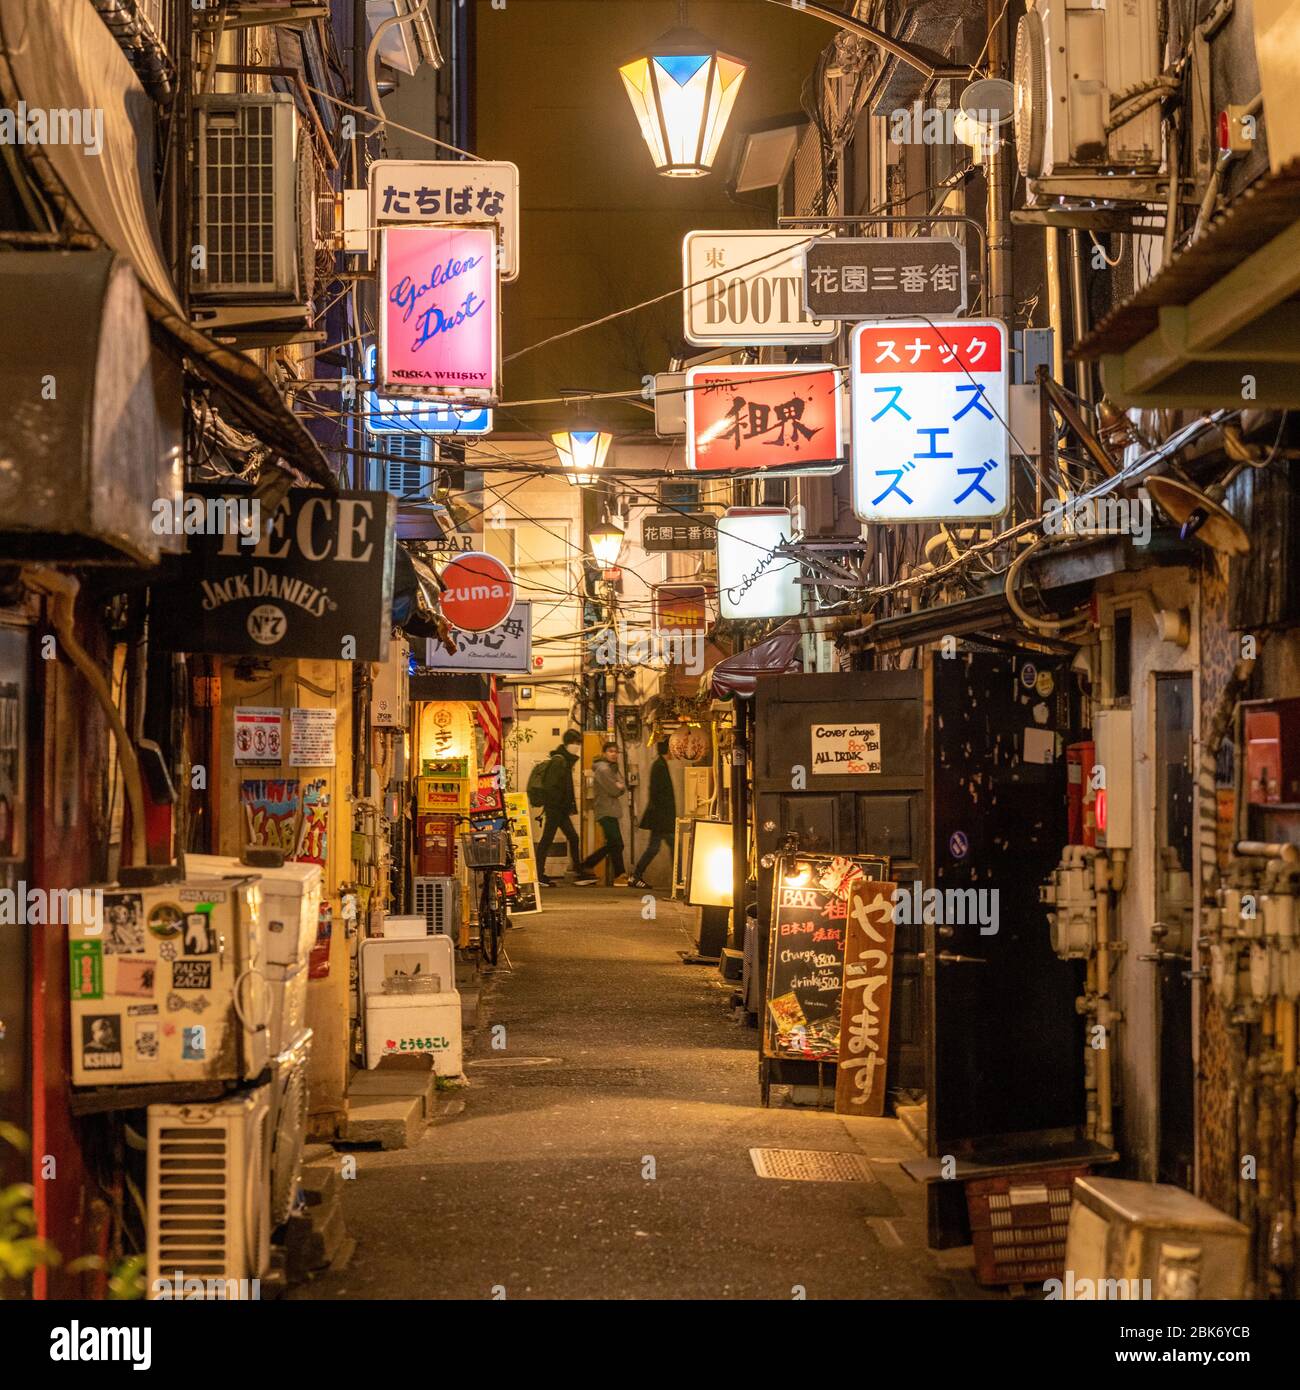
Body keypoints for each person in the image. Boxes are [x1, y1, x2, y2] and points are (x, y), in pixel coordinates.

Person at [534, 729, 583, 886]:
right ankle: (538, 874)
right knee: (547, 841)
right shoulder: (559, 761)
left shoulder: (564, 761)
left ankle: (579, 872)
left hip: (559, 810)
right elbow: (552, 787)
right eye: (575, 743)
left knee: (572, 838)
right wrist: (558, 806)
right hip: (556, 809)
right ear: (568, 743)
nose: (577, 747)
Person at [575, 741, 626, 886]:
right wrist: (619, 786)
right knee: (616, 843)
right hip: (606, 810)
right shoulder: (604, 770)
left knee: (614, 843)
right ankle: (615, 874)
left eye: (616, 751)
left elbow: (622, 785)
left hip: (610, 810)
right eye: (610, 751)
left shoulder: (611, 768)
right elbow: (615, 789)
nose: (614, 754)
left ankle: (591, 866)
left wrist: (620, 785)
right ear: (604, 753)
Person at [628, 738, 675, 889]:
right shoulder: (660, 766)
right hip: (662, 818)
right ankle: (680, 880)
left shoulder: (659, 764)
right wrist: (666, 818)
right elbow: (659, 794)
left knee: (656, 847)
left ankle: (636, 876)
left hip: (660, 818)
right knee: (669, 846)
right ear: (668, 749)